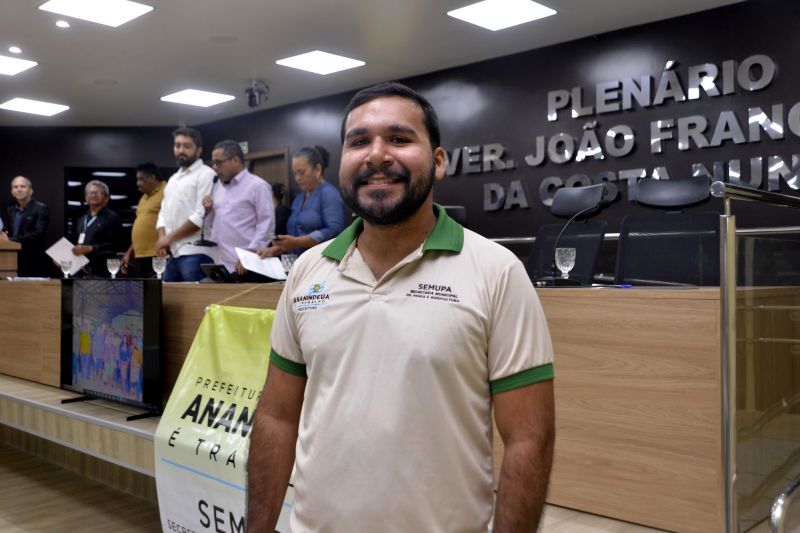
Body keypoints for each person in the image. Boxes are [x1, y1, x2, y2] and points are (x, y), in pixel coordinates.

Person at [246, 82, 555, 532]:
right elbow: (276, 417)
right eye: (359, 141)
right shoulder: (307, 271)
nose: (376, 155)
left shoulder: (497, 271)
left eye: (399, 139)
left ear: (438, 161)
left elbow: (530, 439)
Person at [201, 139, 275, 279]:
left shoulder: (257, 186)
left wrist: (249, 255)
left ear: (235, 160)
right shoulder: (217, 187)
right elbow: (211, 224)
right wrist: (208, 210)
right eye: (213, 163)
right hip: (219, 264)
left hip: (244, 266)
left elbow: (267, 227)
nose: (215, 167)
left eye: (219, 162)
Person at [256, 145, 344, 257]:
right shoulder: (299, 198)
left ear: (317, 169)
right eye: (295, 173)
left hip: (317, 263)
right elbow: (293, 237)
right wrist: (272, 250)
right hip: (295, 263)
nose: (297, 178)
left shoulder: (329, 194)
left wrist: (297, 242)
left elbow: (334, 230)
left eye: (301, 172)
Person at [155, 127, 216, 281]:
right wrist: (163, 240)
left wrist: (168, 239)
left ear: (199, 150)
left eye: (187, 146)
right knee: (170, 303)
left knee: (196, 304)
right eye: (177, 145)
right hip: (173, 253)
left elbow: (199, 215)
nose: (181, 150)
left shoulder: (206, 174)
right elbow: (163, 213)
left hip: (195, 252)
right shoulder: (173, 179)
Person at [121, 163, 165, 278]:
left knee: (157, 291)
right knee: (144, 292)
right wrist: (129, 252)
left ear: (152, 177)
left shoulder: (167, 191)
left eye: (140, 179)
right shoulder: (143, 197)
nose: (137, 183)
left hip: (158, 253)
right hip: (140, 254)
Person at [0, 176, 50, 277]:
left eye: (22, 186)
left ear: (30, 191)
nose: (19, 189)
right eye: (15, 187)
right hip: (12, 257)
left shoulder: (41, 208)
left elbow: (38, 234)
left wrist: (10, 240)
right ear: (12, 191)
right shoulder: (10, 209)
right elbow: (8, 230)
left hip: (33, 259)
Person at [71, 180, 121, 275]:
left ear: (106, 198)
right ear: (86, 197)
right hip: (81, 269)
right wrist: (63, 258)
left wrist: (92, 248)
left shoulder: (112, 218)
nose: (93, 195)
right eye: (91, 193)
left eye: (97, 193)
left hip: (103, 269)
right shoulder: (81, 220)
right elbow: (75, 244)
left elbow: (115, 245)